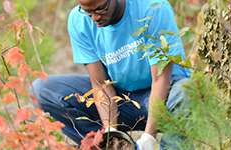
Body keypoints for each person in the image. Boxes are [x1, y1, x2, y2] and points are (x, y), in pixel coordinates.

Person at [31, 0, 190, 149]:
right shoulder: (79, 20)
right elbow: (101, 84)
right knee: (44, 90)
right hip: (123, 100)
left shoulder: (153, 7)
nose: (95, 18)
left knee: (186, 91)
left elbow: (160, 78)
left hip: (167, 96)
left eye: (100, 9)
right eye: (88, 12)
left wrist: (149, 137)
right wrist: (111, 133)